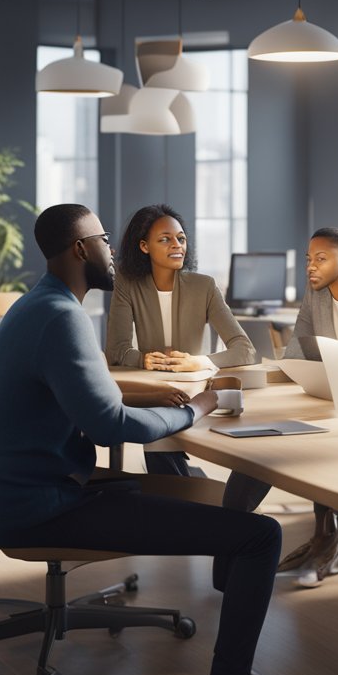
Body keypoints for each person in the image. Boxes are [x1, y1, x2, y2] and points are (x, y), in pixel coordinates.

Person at [0, 204, 297, 675]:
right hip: (46, 508)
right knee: (260, 536)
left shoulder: (41, 305)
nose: (111, 250)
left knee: (201, 500)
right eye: (103, 239)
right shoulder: (62, 317)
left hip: (30, 491)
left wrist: (152, 395)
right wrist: (199, 407)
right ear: (81, 249)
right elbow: (109, 427)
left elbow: (87, 392)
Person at [220, 227, 338, 588]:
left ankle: (331, 538)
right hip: (327, 397)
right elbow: (296, 353)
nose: (310, 267)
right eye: (308, 259)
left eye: (320, 258)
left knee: (318, 441)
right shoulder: (316, 292)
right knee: (258, 450)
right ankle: (230, 561)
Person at [106, 204, 255, 476]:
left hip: (195, 392)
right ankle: (179, 496)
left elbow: (244, 350)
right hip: (153, 392)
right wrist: (143, 358)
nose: (177, 245)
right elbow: (116, 350)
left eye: (181, 238)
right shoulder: (127, 284)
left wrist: (197, 362)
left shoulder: (204, 286)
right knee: (159, 449)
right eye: (165, 239)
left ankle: (182, 497)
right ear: (144, 246)